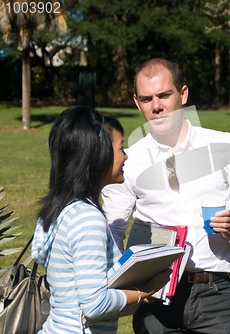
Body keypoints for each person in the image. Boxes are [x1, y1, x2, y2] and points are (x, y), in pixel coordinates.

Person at [101, 58, 230, 334]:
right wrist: (123, 284)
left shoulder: (224, 145)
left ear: (183, 94)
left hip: (214, 292)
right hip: (154, 296)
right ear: (137, 102)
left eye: (164, 95)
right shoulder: (129, 159)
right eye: (147, 98)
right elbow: (113, 229)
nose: (156, 106)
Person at [32, 106, 172, 334]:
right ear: (97, 156)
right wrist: (145, 291)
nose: (126, 155)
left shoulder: (62, 210)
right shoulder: (88, 220)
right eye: (120, 148)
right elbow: (95, 305)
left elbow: (81, 285)